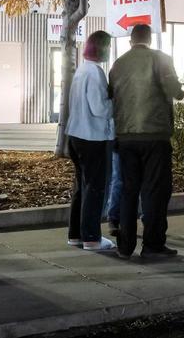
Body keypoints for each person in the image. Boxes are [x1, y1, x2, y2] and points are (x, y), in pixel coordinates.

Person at [108, 24, 184, 259]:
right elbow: (174, 90)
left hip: (126, 136)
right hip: (154, 135)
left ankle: (125, 245)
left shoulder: (118, 63)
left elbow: (111, 95)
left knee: (129, 190)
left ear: (131, 41)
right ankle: (152, 244)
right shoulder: (160, 59)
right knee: (154, 191)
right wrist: (179, 91)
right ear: (149, 39)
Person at [65, 31, 116, 252]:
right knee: (96, 188)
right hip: (93, 137)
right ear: (102, 48)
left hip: (75, 135)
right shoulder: (96, 73)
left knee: (81, 187)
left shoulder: (81, 70)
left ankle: (75, 234)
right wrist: (115, 101)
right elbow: (100, 109)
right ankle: (92, 238)